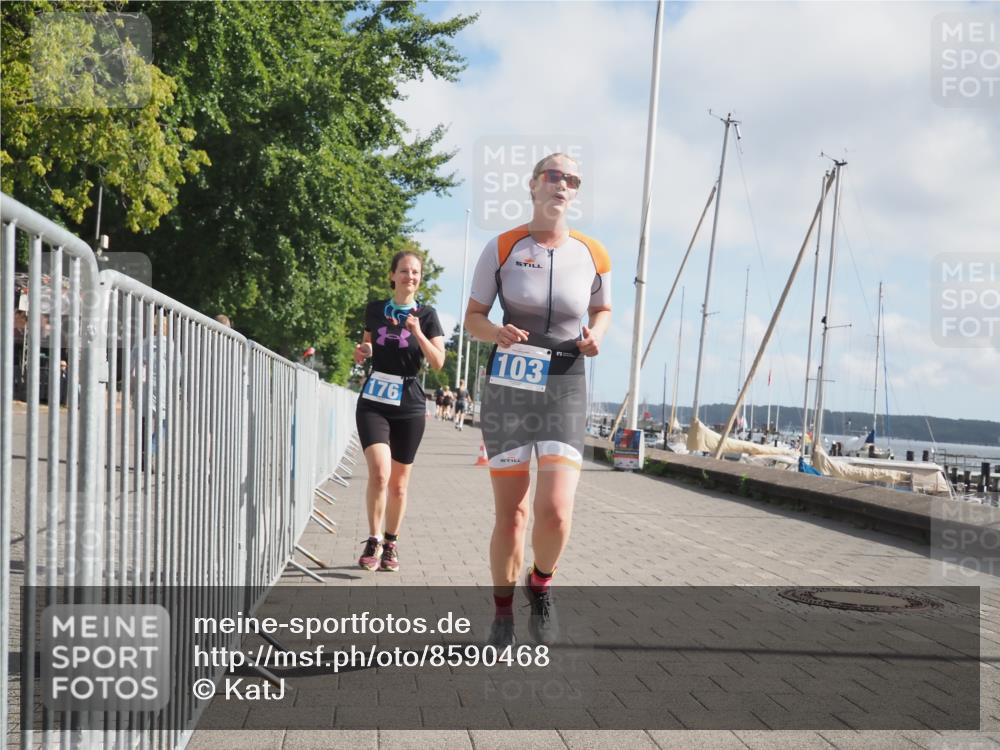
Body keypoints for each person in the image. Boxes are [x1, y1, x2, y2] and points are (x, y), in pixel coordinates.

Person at [464, 153, 611, 647]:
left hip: (565, 382)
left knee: (555, 512)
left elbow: (603, 308)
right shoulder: (502, 247)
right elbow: (473, 318)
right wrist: (496, 332)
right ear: (533, 186)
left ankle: (540, 583)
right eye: (554, 176)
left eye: (573, 179)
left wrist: (598, 337)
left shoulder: (593, 252)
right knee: (513, 514)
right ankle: (502, 614)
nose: (563, 185)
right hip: (510, 384)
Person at [354, 251, 445, 572]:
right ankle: (374, 537)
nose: (410, 276)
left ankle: (391, 542)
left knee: (399, 485)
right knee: (380, 473)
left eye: (416, 272)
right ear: (392, 275)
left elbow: (437, 363)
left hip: (409, 400)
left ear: (420, 278)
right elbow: (367, 346)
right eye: (404, 271)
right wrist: (363, 351)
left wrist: (417, 332)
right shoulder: (375, 309)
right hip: (375, 398)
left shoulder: (428, 314)